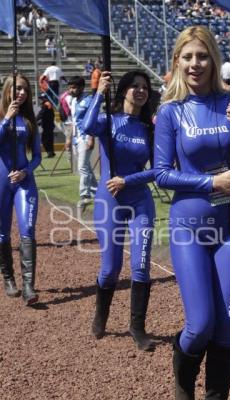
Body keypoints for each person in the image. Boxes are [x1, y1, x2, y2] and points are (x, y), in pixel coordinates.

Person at [154, 26, 230, 400]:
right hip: (188, 227)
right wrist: (211, 184)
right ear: (178, 61)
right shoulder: (170, 112)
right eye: (188, 57)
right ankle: (182, 379)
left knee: (226, 327)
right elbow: (162, 173)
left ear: (214, 59)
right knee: (199, 324)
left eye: (202, 56)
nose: (195, 64)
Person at [83, 70, 156, 351]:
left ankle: (137, 327)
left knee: (140, 265)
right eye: (134, 86)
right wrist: (100, 92)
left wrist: (129, 180)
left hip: (139, 201)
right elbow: (87, 127)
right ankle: (101, 315)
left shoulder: (149, 127)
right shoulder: (107, 121)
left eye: (145, 87)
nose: (140, 91)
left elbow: (157, 171)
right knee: (110, 268)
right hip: (109, 200)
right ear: (123, 90)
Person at [0, 73, 41, 305]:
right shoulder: (2, 116)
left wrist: (27, 171)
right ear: (7, 90)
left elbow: (36, 156)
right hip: (1, 181)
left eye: (25, 89)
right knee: (3, 232)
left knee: (28, 229)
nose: (22, 93)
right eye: (18, 88)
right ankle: (8, 278)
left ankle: (28, 287)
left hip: (24, 181)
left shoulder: (29, 120)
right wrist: (6, 119)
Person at [68, 76, 97, 206]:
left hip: (85, 138)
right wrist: (69, 138)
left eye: (73, 87)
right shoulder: (73, 101)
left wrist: (91, 138)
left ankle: (85, 195)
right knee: (87, 168)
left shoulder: (89, 100)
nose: (71, 90)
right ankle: (97, 192)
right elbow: (73, 121)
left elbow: (93, 120)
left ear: (81, 88)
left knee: (82, 167)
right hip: (76, 138)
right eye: (70, 87)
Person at [36, 93, 55, 158]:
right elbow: (49, 116)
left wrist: (35, 120)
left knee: (44, 140)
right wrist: (41, 122)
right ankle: (51, 152)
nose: (40, 100)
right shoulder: (49, 104)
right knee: (50, 139)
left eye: (41, 98)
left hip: (47, 126)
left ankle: (50, 152)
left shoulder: (45, 105)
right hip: (50, 125)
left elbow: (41, 114)